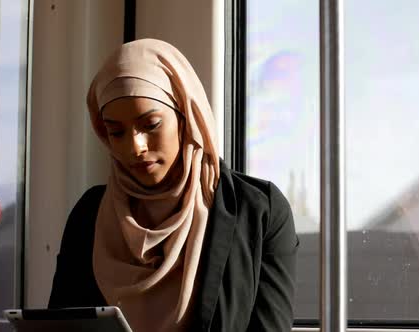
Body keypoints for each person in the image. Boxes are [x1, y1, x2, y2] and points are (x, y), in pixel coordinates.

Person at [48, 38, 299, 332]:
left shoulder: (259, 212)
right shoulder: (89, 215)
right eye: (116, 132)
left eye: (151, 124)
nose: (135, 146)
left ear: (186, 116)